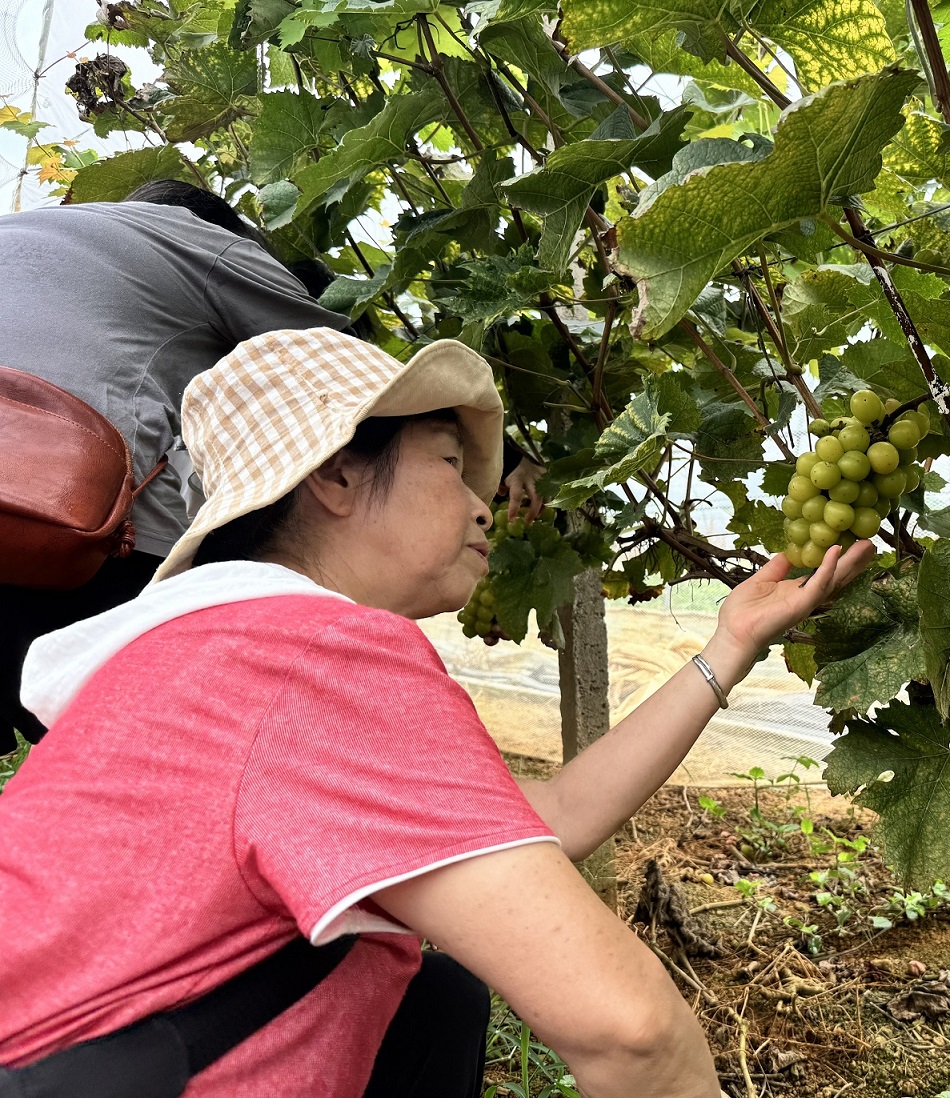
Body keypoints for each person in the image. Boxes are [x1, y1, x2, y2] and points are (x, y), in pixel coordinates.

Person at [0, 327, 873, 1097]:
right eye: (450, 465)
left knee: (436, 1001)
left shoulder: (209, 653)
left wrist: (728, 646)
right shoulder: (311, 653)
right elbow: (632, 1033)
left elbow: (544, 822)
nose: (482, 503)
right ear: (337, 474)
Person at [0, 182, 546, 750]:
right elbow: (349, 382)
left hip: (27, 521)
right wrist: (506, 460)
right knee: (149, 743)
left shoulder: (22, 230)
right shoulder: (196, 239)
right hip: (71, 528)